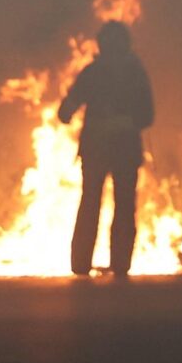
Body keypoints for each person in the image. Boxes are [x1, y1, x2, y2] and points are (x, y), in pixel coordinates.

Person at [57, 20, 154, 277]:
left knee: (95, 204)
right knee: (116, 205)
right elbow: (147, 115)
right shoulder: (131, 72)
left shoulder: (97, 72)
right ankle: (116, 264)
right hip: (116, 151)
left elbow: (66, 110)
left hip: (105, 150)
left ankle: (84, 264)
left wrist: (73, 111)